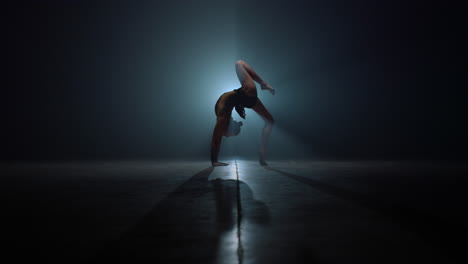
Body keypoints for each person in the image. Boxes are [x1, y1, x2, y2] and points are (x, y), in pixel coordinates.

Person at [211, 60, 275, 166]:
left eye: (227, 135)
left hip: (245, 94)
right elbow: (216, 139)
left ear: (228, 128)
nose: (225, 137)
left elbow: (215, 140)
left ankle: (264, 84)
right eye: (228, 136)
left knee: (239, 63)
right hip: (244, 97)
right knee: (270, 121)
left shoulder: (222, 117)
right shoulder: (224, 117)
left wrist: (214, 160)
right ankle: (262, 154)